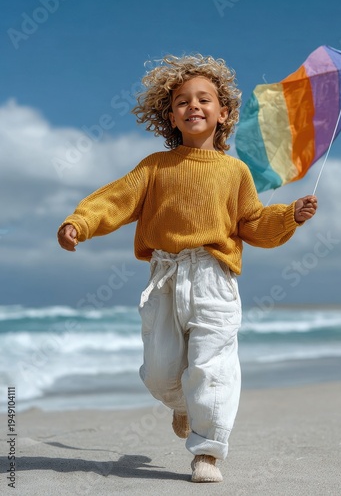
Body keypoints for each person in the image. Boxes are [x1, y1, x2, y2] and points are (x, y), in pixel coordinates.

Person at [57, 54, 317, 483]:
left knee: (212, 367)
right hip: (165, 276)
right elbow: (115, 200)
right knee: (160, 373)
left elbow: (252, 223)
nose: (193, 106)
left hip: (214, 276)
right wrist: (79, 223)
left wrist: (291, 215)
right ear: (170, 117)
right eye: (182, 101)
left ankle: (207, 453)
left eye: (204, 99)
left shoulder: (235, 171)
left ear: (224, 113)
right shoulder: (155, 167)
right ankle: (181, 405)